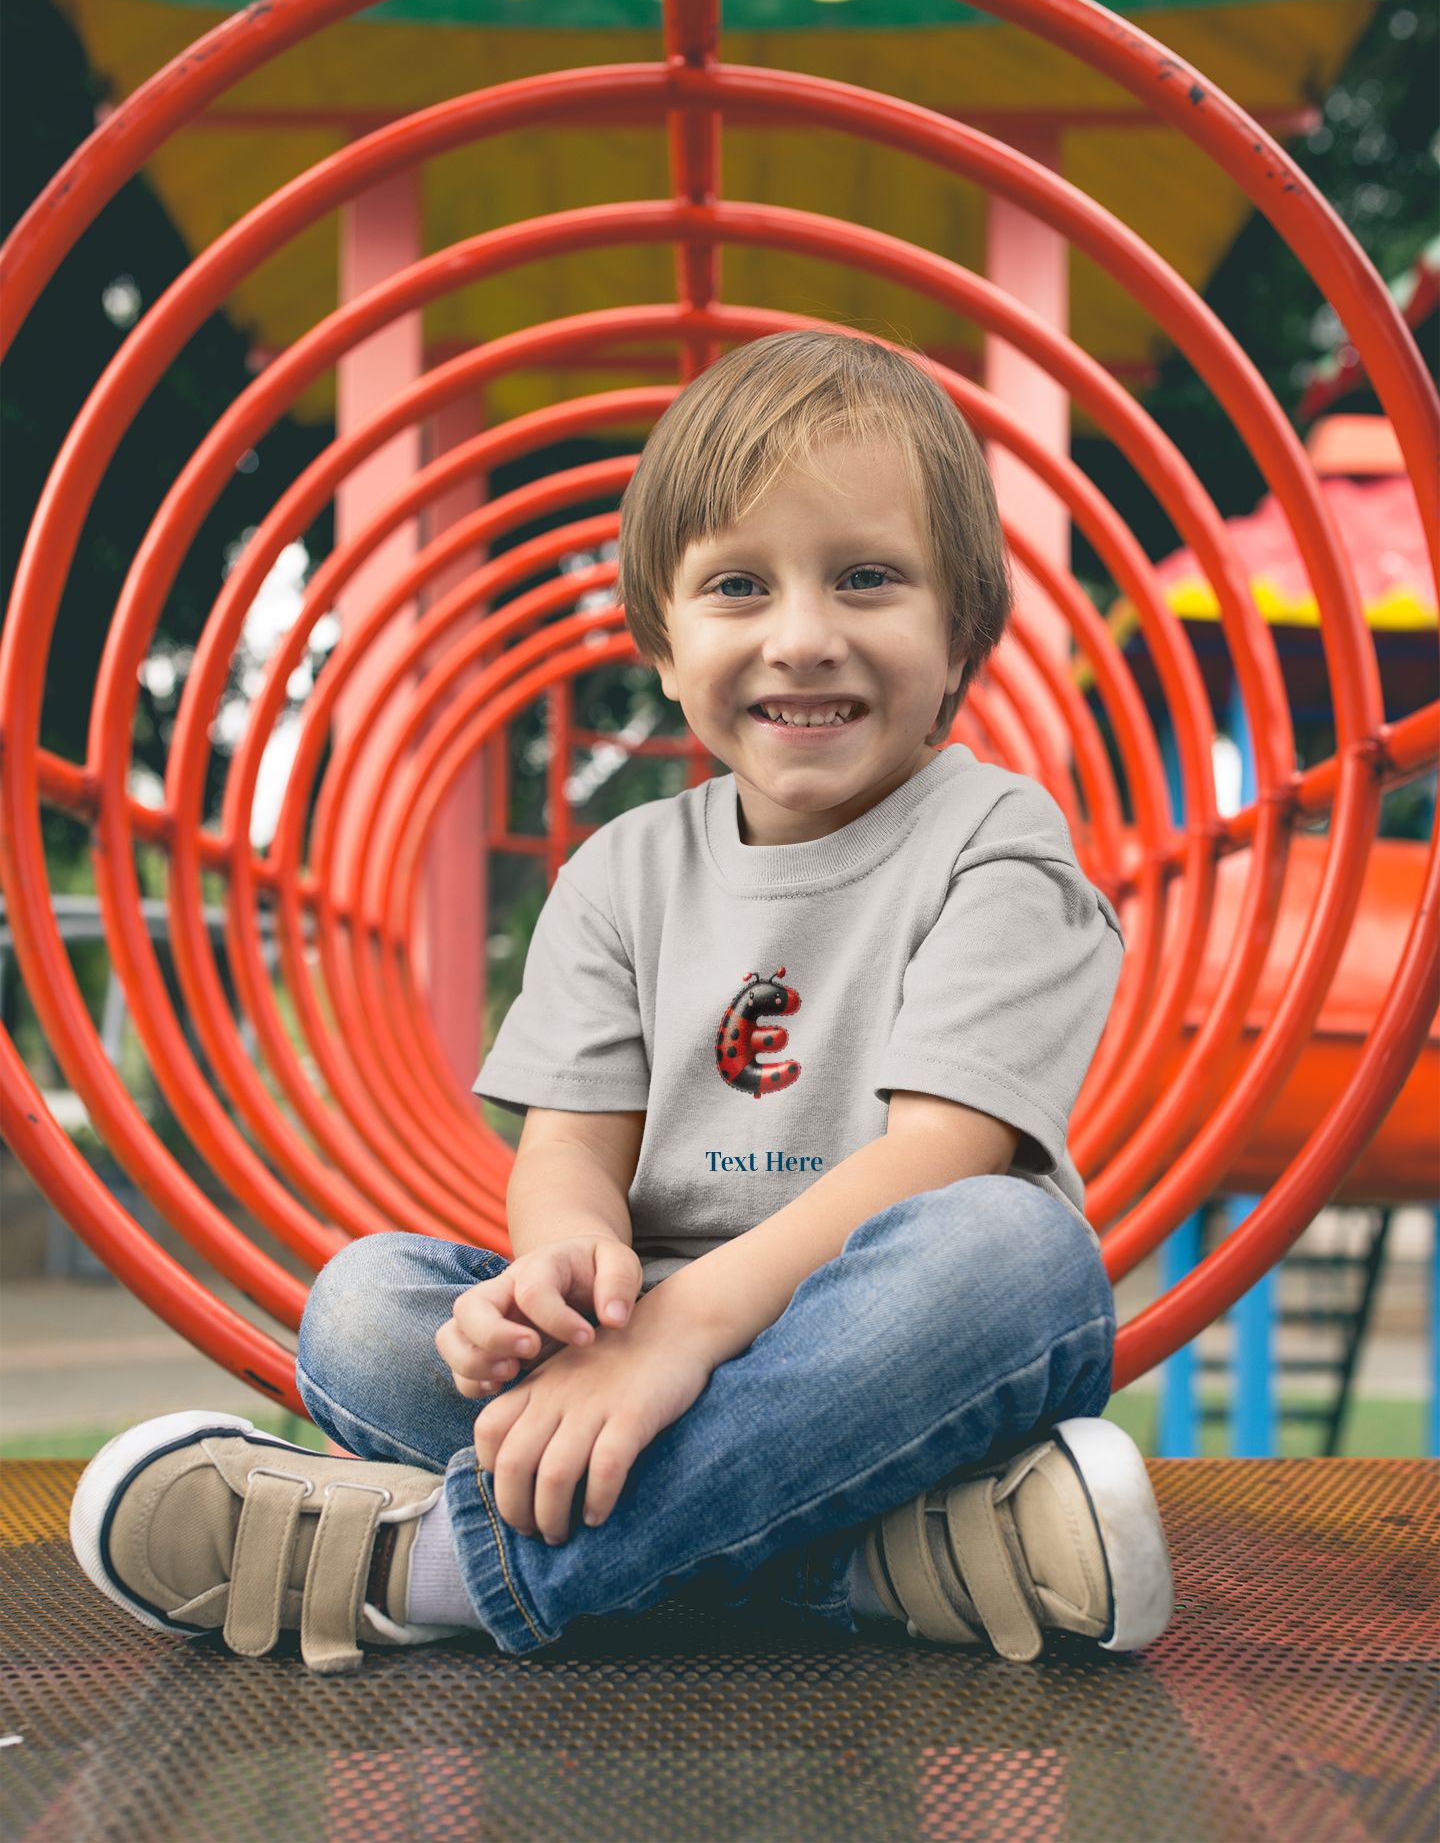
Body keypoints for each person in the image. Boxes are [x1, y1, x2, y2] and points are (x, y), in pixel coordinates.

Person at [70, 331, 1173, 1675]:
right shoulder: (624, 873)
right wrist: (558, 1273)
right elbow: (570, 1153)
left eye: (869, 579)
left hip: (890, 1345)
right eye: (739, 587)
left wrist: (678, 1340)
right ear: (663, 643)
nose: (805, 636)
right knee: (363, 1308)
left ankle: (424, 1570)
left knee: (1014, 1253)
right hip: (646, 1340)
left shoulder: (997, 838)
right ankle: (885, 1562)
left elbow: (940, 1155)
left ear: (960, 639)